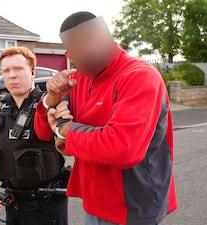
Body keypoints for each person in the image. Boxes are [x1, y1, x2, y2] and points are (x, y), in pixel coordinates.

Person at [34, 11, 177, 225]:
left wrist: (65, 131)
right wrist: (51, 98)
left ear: (109, 40)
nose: (90, 55)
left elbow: (123, 147)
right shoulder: (78, 78)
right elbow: (42, 132)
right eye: (81, 52)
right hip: (95, 202)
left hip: (134, 207)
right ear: (70, 56)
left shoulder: (139, 76)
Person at [0, 46, 69, 225]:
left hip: (46, 206)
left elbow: (68, 143)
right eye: (6, 70)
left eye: (18, 68)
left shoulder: (48, 106)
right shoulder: (5, 107)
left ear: (32, 72)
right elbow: (2, 151)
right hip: (14, 204)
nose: (12, 75)